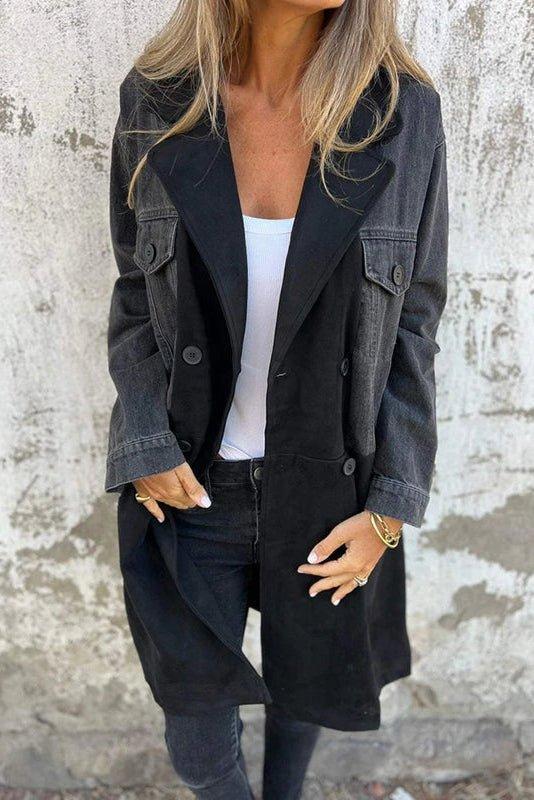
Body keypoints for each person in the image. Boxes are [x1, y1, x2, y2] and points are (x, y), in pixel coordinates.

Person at [105, 1, 448, 797]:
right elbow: (134, 294)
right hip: (191, 488)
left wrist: (390, 509)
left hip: (332, 486)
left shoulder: (400, 114)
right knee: (197, 735)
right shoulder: (157, 98)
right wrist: (144, 441)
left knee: (307, 691)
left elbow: (415, 320)